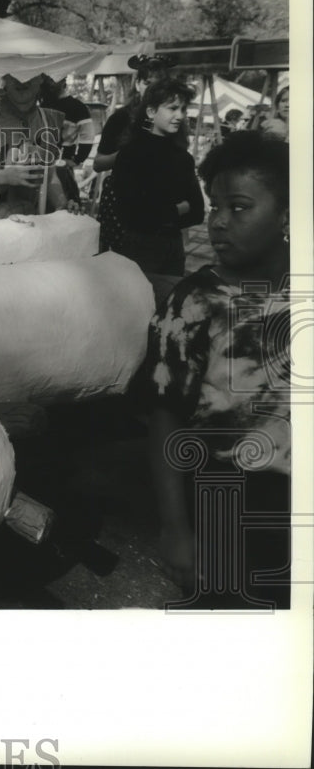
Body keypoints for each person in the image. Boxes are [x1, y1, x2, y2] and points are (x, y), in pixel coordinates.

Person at [144, 131, 290, 607]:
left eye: (240, 207)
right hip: (223, 502)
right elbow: (166, 416)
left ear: (287, 213)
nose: (219, 224)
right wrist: (175, 527)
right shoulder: (194, 302)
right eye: (215, 208)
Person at [108, 78, 204, 277]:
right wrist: (178, 208)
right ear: (151, 111)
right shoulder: (131, 154)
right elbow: (131, 214)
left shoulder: (183, 157)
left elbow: (197, 211)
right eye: (172, 108)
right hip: (139, 248)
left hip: (174, 248)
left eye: (183, 109)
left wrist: (158, 211)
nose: (180, 116)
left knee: (169, 303)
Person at [0, 73, 74, 221]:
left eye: (30, 72)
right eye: (14, 73)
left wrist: (62, 203)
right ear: (5, 77)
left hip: (27, 234)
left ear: (42, 77)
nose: (22, 79)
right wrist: (4, 176)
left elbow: (49, 175)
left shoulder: (48, 120)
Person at [40, 74, 95, 204]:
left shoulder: (77, 107)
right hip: (40, 166)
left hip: (61, 167)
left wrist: (76, 160)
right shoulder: (42, 105)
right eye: (47, 80)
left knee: (64, 204)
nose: (50, 83)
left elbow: (88, 137)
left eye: (53, 78)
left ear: (64, 81)